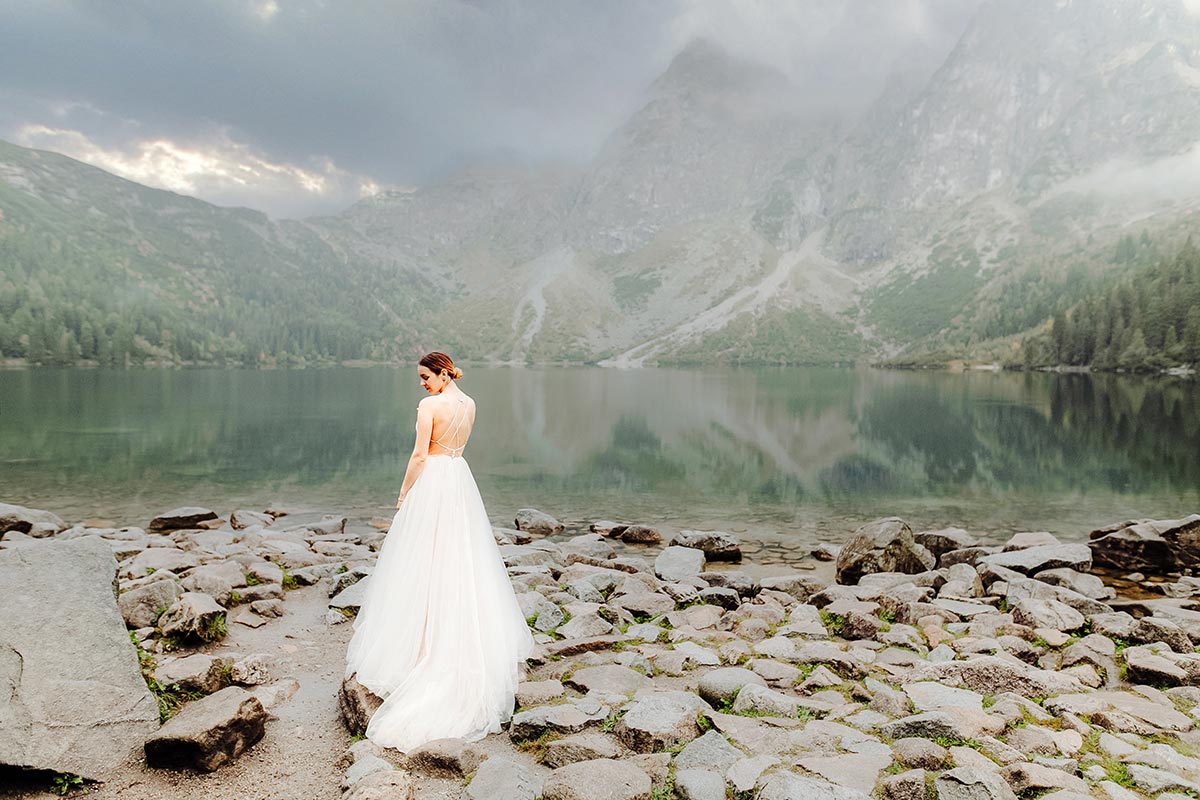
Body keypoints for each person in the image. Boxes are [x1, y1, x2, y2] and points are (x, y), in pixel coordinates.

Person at [344, 351, 534, 751]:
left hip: (432, 480)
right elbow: (456, 446)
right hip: (458, 478)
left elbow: (418, 454)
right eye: (421, 377)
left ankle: (420, 647)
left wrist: (403, 492)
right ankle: (448, 637)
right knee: (459, 557)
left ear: (444, 375)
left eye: (425, 376)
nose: (422, 382)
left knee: (420, 559)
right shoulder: (470, 404)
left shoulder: (431, 405)